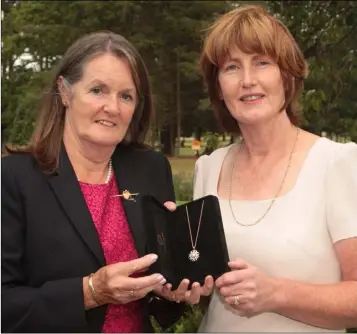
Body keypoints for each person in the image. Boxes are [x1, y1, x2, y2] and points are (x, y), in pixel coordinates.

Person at [1, 31, 213, 333]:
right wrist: (89, 292)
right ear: (64, 92)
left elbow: (161, 306)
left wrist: (170, 293)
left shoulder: (151, 170)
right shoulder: (12, 179)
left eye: (125, 96)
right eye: (98, 90)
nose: (112, 107)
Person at [194, 4, 357, 332]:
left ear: (287, 75)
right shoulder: (208, 168)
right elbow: (204, 290)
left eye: (262, 63)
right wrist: (180, 275)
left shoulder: (336, 163)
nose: (248, 80)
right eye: (231, 68)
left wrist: (276, 293)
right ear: (219, 87)